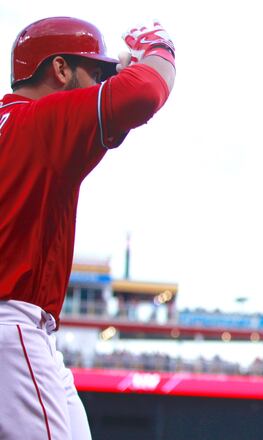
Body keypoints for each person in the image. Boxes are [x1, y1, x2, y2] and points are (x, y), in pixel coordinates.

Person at [0, 17, 176, 439]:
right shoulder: (40, 121)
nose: (101, 81)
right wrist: (158, 45)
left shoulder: (18, 122)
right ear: (60, 69)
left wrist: (109, 72)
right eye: (93, 72)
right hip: (12, 321)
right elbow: (145, 92)